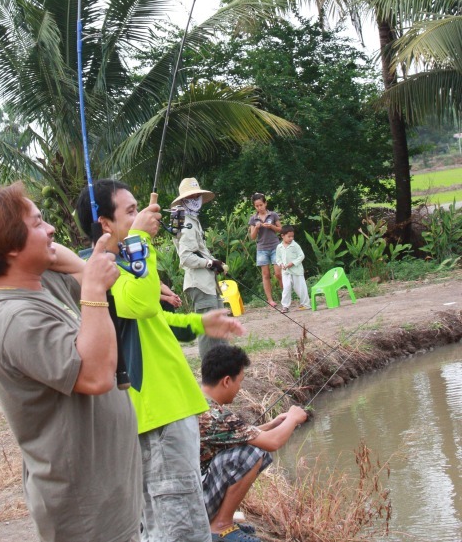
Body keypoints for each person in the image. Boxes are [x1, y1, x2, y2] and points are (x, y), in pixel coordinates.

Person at [0, 182, 142, 542]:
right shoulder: (14, 317)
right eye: (38, 223)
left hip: (108, 498)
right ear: (11, 246)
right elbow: (94, 376)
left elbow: (62, 257)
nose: (52, 230)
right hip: (84, 514)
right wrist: (92, 290)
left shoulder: (39, 284)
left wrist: (84, 271)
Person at [68, 179, 245, 542]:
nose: (143, 216)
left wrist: (199, 322)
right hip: (156, 414)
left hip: (171, 409)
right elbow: (142, 304)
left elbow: (151, 319)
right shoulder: (101, 270)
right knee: (177, 528)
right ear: (105, 224)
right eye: (130, 211)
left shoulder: (122, 264)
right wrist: (139, 239)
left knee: (182, 517)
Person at [199, 345, 308, 542]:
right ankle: (221, 526)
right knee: (253, 453)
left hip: (189, 494)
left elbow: (239, 434)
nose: (240, 388)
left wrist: (273, 423)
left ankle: (220, 519)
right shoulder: (216, 416)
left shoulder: (199, 402)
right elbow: (272, 443)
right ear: (226, 381)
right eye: (239, 381)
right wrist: (293, 418)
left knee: (252, 447)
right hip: (194, 503)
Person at [171, 177, 228, 358]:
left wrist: (215, 263)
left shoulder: (193, 220)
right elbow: (186, 257)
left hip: (207, 282)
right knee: (208, 330)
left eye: (197, 196)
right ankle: (210, 371)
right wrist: (210, 263)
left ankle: (223, 365)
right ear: (184, 200)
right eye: (192, 196)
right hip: (200, 284)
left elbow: (199, 252)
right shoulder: (187, 223)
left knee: (219, 325)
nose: (195, 199)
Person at [248, 194, 282, 306]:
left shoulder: (273, 215)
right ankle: (270, 300)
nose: (259, 208)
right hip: (262, 248)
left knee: (278, 273)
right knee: (266, 274)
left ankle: (285, 295)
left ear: (265, 203)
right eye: (256, 206)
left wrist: (271, 226)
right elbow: (252, 237)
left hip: (275, 246)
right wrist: (257, 228)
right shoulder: (253, 219)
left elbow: (280, 230)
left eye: (261, 205)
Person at [275, 225, 311, 313]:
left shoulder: (295, 245)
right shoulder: (279, 247)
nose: (291, 238)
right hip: (286, 272)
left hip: (297, 271)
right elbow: (278, 258)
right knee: (286, 288)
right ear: (282, 236)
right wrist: (281, 264)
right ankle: (285, 306)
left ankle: (306, 304)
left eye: (292, 236)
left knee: (300, 288)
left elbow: (301, 256)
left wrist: (293, 263)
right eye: (289, 236)